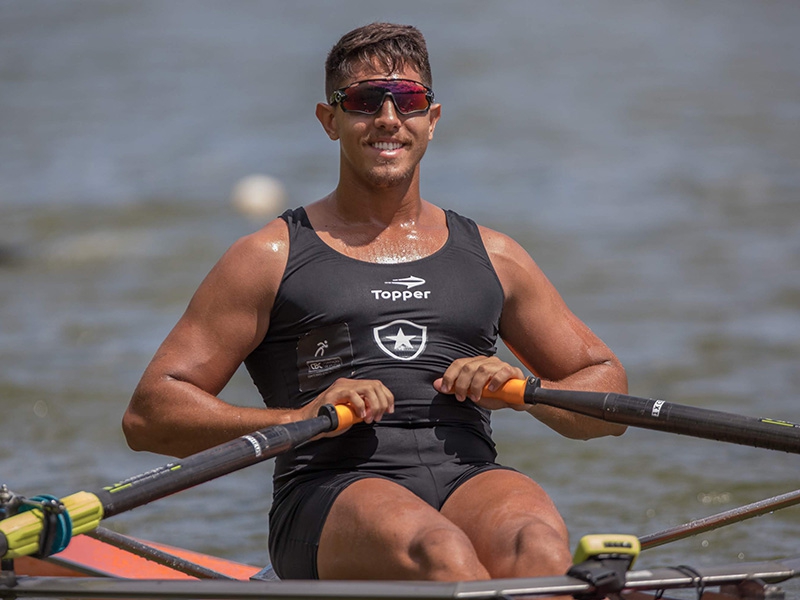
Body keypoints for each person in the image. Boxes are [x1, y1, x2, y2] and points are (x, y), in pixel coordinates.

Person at [123, 22, 627, 582]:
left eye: (408, 99)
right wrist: (299, 416)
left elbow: (608, 396)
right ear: (329, 120)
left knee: (538, 549)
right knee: (442, 553)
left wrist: (526, 392)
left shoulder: (496, 255)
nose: (388, 118)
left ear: (431, 120)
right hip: (328, 492)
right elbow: (149, 416)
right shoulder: (268, 255)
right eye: (365, 100)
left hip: (469, 477)